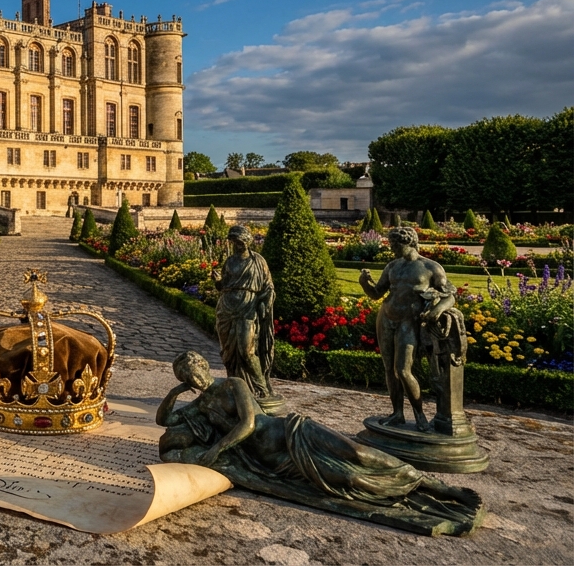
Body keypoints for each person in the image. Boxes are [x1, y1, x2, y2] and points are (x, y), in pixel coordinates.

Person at [156, 351, 482, 532]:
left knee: (359, 453)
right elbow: (164, 421)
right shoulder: (201, 403)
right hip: (273, 462)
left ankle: (439, 488)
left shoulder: (232, 385)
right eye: (187, 378)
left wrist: (217, 448)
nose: (194, 380)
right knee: (349, 478)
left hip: (291, 432)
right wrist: (175, 393)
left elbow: (248, 423)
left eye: (194, 372)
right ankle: (415, 497)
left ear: (203, 365)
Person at [359, 227, 454, 432]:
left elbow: (449, 296)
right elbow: (377, 293)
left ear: (409, 243)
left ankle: (420, 416)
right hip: (386, 317)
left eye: (395, 245)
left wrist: (438, 310)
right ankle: (397, 414)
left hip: (408, 321)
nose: (392, 249)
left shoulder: (430, 267)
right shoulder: (392, 266)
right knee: (389, 370)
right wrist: (365, 284)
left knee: (403, 370)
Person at [211, 224, 277, 404]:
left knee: (247, 350)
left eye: (239, 241)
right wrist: (218, 281)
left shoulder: (258, 261)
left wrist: (265, 302)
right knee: (227, 353)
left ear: (247, 241)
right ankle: (235, 386)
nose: (236, 245)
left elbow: (269, 286)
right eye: (233, 242)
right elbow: (223, 285)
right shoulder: (230, 261)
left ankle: (261, 388)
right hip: (226, 307)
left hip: (247, 306)